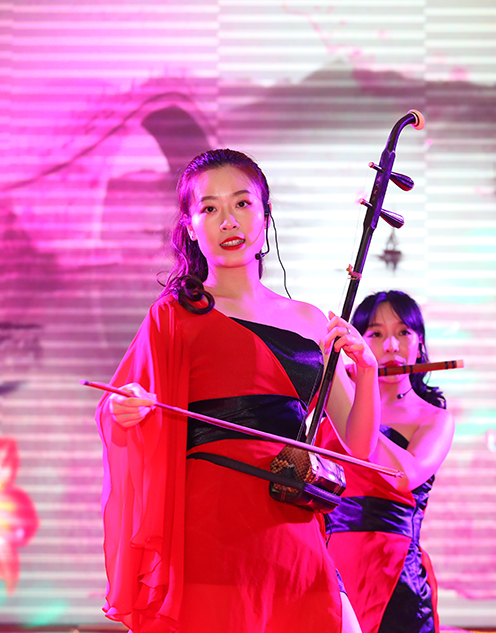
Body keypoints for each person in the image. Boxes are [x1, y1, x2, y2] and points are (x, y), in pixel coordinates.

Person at [94, 148, 380, 633]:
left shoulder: (312, 321)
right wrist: (123, 409)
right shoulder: (174, 315)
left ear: (265, 215)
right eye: (210, 208)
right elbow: (120, 401)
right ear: (190, 227)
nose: (229, 221)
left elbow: (359, 447)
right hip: (209, 526)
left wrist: (367, 371)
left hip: (291, 522)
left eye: (243, 204)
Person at [322, 290, 455, 633]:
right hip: (326, 566)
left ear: (420, 344)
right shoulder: (328, 402)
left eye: (403, 332)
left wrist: (350, 410)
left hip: (395, 575)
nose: (391, 346)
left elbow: (404, 475)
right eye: (376, 334)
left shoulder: (434, 418)